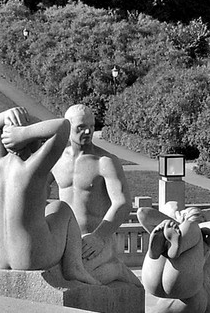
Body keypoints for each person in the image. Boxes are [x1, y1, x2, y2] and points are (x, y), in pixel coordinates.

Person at [0, 106, 99, 284]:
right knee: (61, 208)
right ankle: (74, 268)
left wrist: (5, 116)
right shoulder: (32, 167)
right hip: (29, 255)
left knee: (47, 209)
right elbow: (63, 126)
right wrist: (23, 133)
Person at [51, 104, 142, 287]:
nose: (88, 131)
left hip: (96, 239)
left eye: (92, 126)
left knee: (76, 278)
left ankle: (116, 269)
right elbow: (38, 192)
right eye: (81, 127)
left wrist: (99, 237)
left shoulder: (105, 161)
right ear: (68, 128)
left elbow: (123, 203)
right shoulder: (56, 160)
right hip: (67, 239)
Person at [137, 202, 210, 313]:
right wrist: (184, 226)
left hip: (188, 297)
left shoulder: (203, 238)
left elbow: (143, 214)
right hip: (206, 297)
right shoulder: (209, 240)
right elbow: (143, 213)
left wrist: (188, 224)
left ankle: (178, 245)